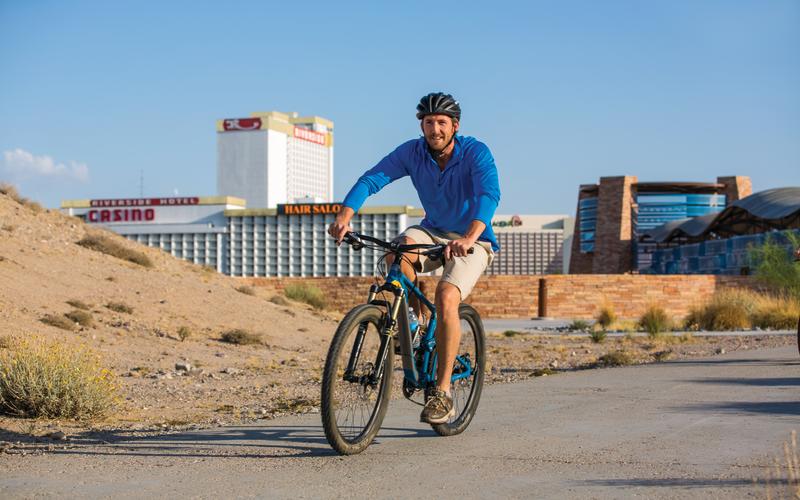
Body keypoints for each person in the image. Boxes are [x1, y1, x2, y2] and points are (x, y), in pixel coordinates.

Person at [328, 92, 501, 424]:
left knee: (447, 295)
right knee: (396, 252)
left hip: (473, 239)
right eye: (428, 122)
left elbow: (488, 195)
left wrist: (469, 237)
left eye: (441, 123)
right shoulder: (413, 152)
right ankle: (415, 323)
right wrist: (344, 216)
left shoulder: (476, 153)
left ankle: (443, 390)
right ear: (421, 125)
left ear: (454, 127)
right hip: (432, 230)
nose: (434, 129)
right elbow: (372, 179)